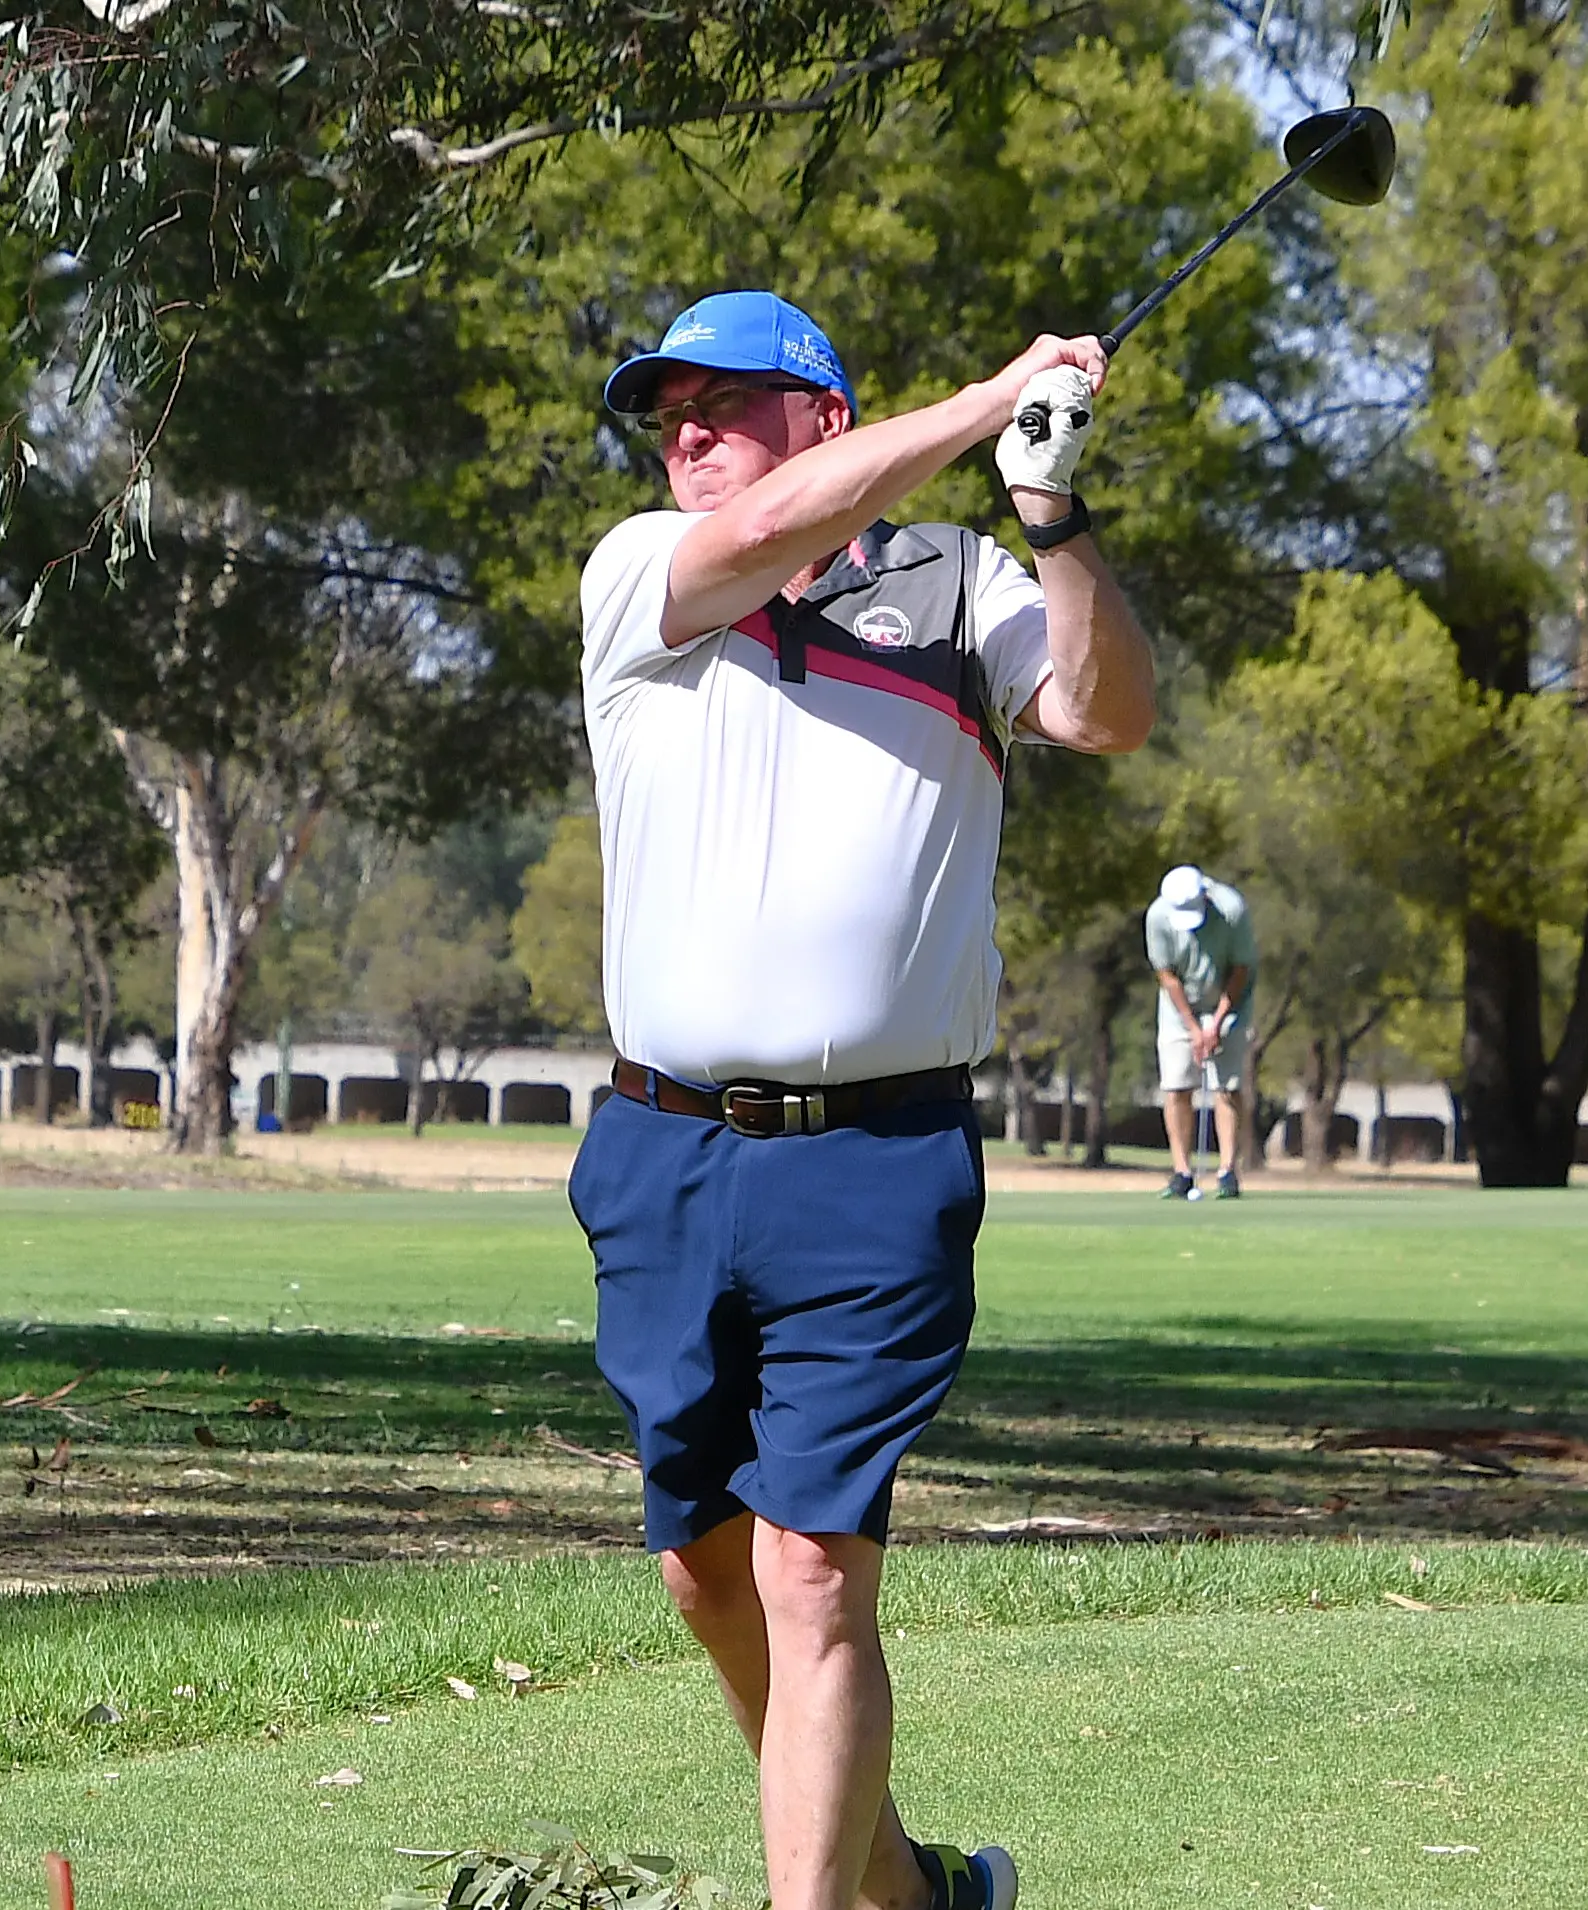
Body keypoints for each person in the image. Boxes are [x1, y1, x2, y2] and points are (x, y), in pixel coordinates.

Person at [571, 289, 1153, 1910]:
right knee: (707, 1579)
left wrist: (1051, 511)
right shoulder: (637, 574)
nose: (681, 434)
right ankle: (905, 1889)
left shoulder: (961, 588)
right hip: (659, 1154)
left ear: (823, 413)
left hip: (873, 1163)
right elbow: (763, 529)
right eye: (663, 409)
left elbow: (1103, 712)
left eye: (721, 402)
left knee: (812, 1572)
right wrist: (988, 400)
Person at [1144, 863, 1254, 1201]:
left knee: (1227, 1085)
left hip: (1228, 999)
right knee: (1177, 1084)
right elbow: (1167, 976)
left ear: (1205, 897)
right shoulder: (1159, 916)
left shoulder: (1232, 909)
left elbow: (1240, 969)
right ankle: (1182, 1172)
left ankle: (1227, 1172)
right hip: (1180, 1006)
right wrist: (1193, 1027)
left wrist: (1217, 1024)